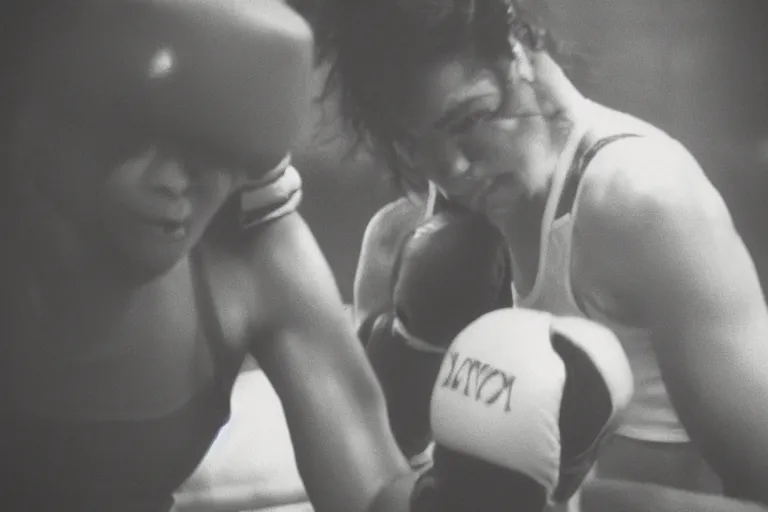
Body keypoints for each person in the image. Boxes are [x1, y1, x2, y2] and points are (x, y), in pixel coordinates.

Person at [305, 0, 768, 503]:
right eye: (416, 145)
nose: (453, 168)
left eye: (468, 121)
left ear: (516, 46)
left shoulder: (645, 203)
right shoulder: (403, 238)